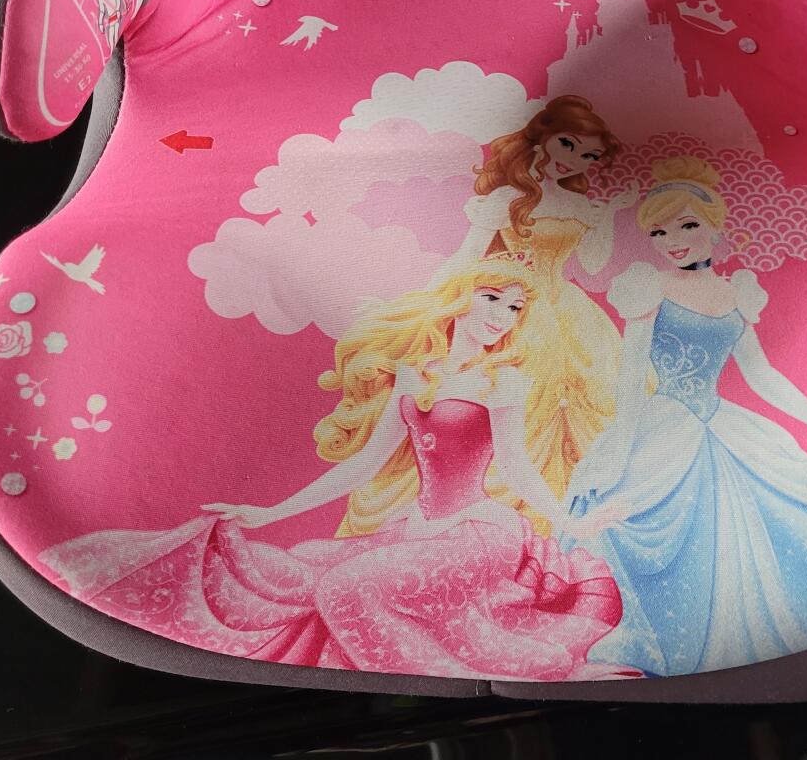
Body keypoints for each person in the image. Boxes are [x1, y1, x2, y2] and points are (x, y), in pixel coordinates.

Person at [41, 255, 634, 681]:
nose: (502, 315)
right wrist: (270, 512)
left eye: (514, 307)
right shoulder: (414, 375)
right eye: (492, 298)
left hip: (481, 531)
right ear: (461, 297)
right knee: (294, 575)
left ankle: (531, 677)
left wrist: (571, 523)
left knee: (348, 588)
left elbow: (521, 470)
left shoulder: (504, 382)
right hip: (417, 526)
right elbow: (362, 466)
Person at [565, 156, 807, 677]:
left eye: (686, 226)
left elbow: (761, 377)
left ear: (714, 226)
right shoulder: (650, 287)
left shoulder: (736, 293)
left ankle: (752, 637)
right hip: (666, 425)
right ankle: (680, 642)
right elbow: (629, 375)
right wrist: (619, 452)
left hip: (721, 422)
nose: (673, 242)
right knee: (647, 521)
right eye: (659, 233)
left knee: (787, 512)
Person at [438, 95, 638, 501]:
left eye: (588, 156)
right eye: (567, 144)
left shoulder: (580, 204)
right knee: (527, 398)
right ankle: (516, 491)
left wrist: (610, 214)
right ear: (543, 135)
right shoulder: (506, 198)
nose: (573, 160)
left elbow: (593, 266)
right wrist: (436, 300)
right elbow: (468, 256)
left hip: (569, 311)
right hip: (519, 309)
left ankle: (576, 494)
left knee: (585, 395)